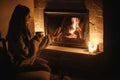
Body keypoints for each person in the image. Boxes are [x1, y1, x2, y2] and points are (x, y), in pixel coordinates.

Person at [6, 4, 62, 79]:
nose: (30, 17)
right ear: (21, 18)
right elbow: (26, 53)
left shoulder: (24, 30)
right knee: (46, 67)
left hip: (28, 60)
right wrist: (36, 40)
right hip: (21, 64)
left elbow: (35, 46)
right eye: (28, 15)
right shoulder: (16, 34)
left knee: (51, 63)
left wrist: (52, 37)